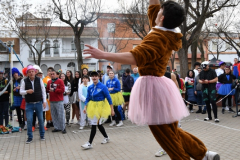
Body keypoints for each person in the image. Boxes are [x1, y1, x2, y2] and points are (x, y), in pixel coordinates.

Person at [83, 0, 220, 159]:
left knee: (164, 135)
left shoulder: (158, 37)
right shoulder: (166, 30)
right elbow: (154, 7)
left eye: (160, 11)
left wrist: (104, 55)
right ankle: (202, 153)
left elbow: (136, 56)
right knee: (170, 130)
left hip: (152, 88)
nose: (157, 12)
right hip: (159, 85)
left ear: (162, 17)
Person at [81, 71, 114, 149]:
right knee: (98, 124)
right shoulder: (90, 87)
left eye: (96, 76)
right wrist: (85, 107)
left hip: (101, 107)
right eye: (93, 76)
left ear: (98, 77)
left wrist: (112, 110)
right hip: (92, 107)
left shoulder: (103, 87)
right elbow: (88, 98)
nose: (94, 77)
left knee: (94, 124)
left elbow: (109, 98)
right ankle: (106, 137)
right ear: (91, 78)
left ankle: (89, 143)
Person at [20, 65, 46, 144]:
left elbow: (43, 91)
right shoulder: (24, 81)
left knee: (41, 120)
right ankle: (30, 137)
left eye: (32, 71)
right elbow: (20, 91)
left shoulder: (39, 80)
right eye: (29, 72)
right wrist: (27, 91)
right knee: (29, 120)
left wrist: (44, 101)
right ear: (27, 73)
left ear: (35, 72)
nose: (31, 73)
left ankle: (42, 135)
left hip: (38, 103)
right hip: (29, 104)